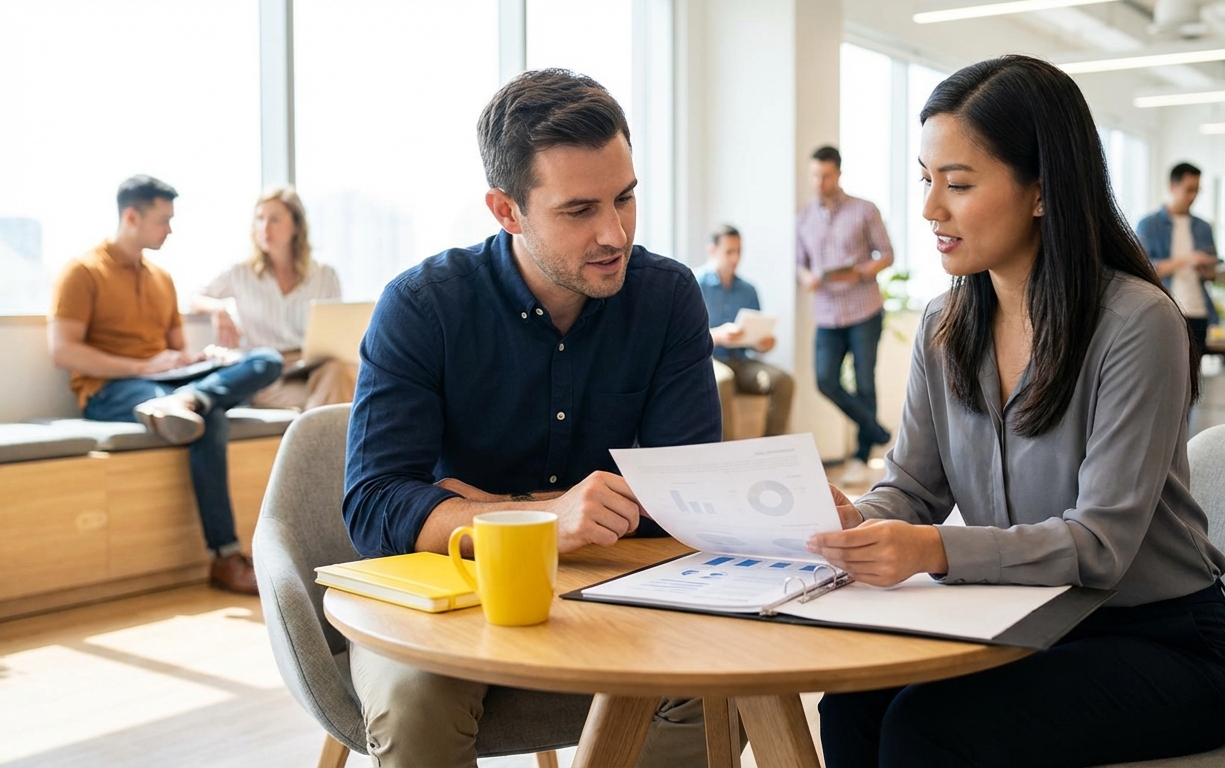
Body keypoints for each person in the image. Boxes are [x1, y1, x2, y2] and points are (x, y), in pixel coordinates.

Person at [807, 56, 1225, 768]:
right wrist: (855, 518)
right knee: (854, 703)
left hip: (1160, 642)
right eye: (927, 180)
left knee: (928, 729)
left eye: (957, 184)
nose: (930, 210)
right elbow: (915, 489)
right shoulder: (943, 324)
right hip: (1023, 618)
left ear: (1042, 191)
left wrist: (935, 549)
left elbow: (1100, 545)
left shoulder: (1138, 323)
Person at [342, 69, 723, 768]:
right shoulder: (423, 306)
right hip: (451, 591)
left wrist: (472, 503)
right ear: (506, 210)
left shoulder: (667, 298)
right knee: (415, 705)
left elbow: (685, 493)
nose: (616, 233)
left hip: (611, 587)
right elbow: (373, 505)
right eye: (579, 210)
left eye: (626, 198)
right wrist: (548, 517)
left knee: (715, 683)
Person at [48, 176, 283, 595]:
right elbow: (64, 352)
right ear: (132, 216)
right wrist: (142, 367)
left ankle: (191, 397)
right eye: (163, 220)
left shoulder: (161, 278)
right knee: (207, 420)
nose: (170, 230)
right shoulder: (82, 271)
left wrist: (201, 361)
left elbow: (175, 351)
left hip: (166, 385)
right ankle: (225, 556)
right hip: (110, 389)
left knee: (266, 360)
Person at [194, 186, 354, 411]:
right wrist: (218, 309)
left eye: (275, 219)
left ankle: (314, 429)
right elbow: (194, 298)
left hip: (311, 368)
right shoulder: (241, 273)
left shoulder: (325, 275)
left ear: (296, 226)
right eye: (259, 219)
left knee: (339, 372)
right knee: (335, 399)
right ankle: (320, 431)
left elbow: (336, 333)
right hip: (269, 374)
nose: (265, 228)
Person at [796, 146, 896, 487]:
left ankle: (860, 455)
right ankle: (877, 430)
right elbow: (801, 263)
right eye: (814, 175)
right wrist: (805, 276)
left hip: (863, 309)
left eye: (825, 175)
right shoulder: (804, 218)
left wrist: (860, 272)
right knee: (825, 379)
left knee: (864, 382)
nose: (819, 182)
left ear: (838, 174)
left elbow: (887, 254)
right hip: (827, 314)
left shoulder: (864, 210)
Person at [697, 224, 794, 438]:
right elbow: (686, 339)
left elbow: (757, 338)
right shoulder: (695, 284)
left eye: (738, 252)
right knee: (722, 381)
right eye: (729, 252)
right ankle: (730, 456)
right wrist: (718, 335)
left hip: (742, 361)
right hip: (711, 359)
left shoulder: (748, 290)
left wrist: (764, 343)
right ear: (712, 251)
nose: (735, 258)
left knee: (783, 381)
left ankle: (772, 451)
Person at [1136, 162, 1219, 359]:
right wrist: (1187, 259)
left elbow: (1212, 275)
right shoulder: (1149, 225)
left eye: (1197, 191)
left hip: (1199, 311)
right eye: (1189, 190)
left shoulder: (1203, 227)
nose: (1193, 197)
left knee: (1194, 379)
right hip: (1166, 309)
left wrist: (1207, 269)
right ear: (1172, 186)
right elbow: (1144, 270)